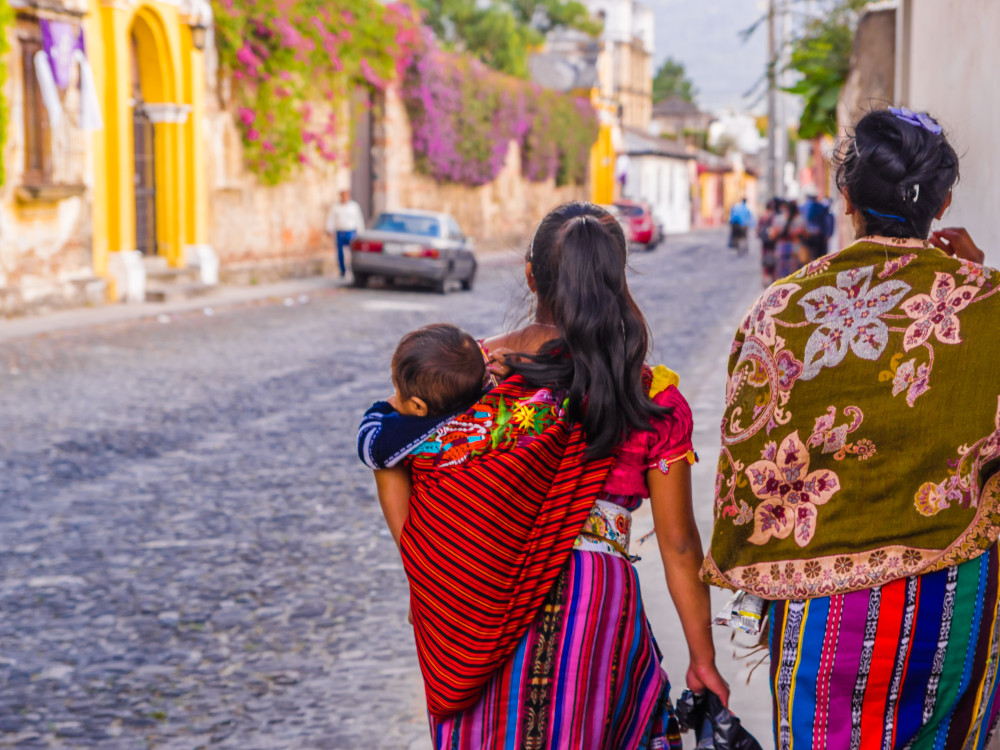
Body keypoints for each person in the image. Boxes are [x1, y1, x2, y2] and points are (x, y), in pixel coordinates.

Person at [369, 201, 729, 748]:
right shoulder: (648, 396)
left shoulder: (465, 377)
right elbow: (679, 545)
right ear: (616, 280)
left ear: (531, 276)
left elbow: (392, 458)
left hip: (479, 592)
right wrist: (703, 660)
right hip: (595, 609)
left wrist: (434, 565)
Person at [702, 107, 1000, 750]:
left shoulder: (781, 308)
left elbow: (744, 465)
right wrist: (983, 280)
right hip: (950, 607)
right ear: (943, 202)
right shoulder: (989, 305)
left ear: (846, 198)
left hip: (822, 619)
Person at [358, 323, 486, 472]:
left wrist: (383, 408)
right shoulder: (484, 402)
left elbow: (368, 445)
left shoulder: (409, 429)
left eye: (397, 390)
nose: (394, 396)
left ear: (418, 406)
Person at [325, 188, 365, 278]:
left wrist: (361, 232)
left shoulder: (354, 206)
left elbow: (358, 219)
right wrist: (329, 229)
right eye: (343, 196)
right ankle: (342, 270)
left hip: (351, 231)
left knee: (352, 252)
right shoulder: (335, 207)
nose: (345, 197)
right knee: (340, 253)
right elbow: (331, 219)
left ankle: (353, 269)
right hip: (340, 232)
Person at [770, 199, 806, 279]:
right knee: (795, 273)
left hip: (782, 247)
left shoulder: (779, 219)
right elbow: (805, 234)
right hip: (795, 246)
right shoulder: (800, 219)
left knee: (781, 272)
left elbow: (772, 235)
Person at [801, 188, 833, 261]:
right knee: (820, 259)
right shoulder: (822, 207)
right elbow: (828, 220)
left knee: (808, 259)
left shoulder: (802, 207)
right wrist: (828, 234)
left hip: (807, 236)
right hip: (819, 236)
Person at [757, 198, 779, 285]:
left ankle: (765, 280)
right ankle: (774, 281)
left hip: (765, 243)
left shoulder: (762, 217)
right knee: (773, 262)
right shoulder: (774, 217)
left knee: (765, 261)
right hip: (773, 243)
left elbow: (758, 231)